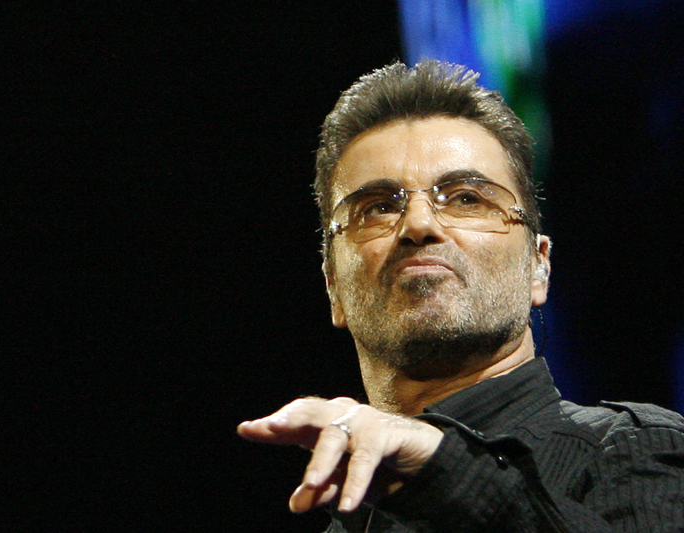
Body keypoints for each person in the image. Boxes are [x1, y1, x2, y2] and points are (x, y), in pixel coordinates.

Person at [237, 60, 684, 532]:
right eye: (378, 207)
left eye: (467, 198)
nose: (418, 224)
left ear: (538, 266)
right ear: (333, 288)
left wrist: (436, 467)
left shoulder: (636, 449)